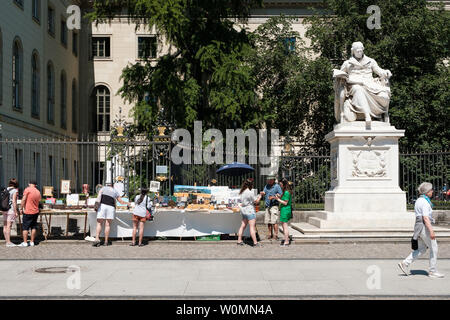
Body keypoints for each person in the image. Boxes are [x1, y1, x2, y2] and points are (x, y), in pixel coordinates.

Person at [334, 41, 392, 125]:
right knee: (358, 89)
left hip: (370, 84)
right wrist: (340, 76)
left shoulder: (371, 61)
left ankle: (383, 114)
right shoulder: (347, 63)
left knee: (383, 94)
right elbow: (340, 75)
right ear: (352, 51)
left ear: (363, 50)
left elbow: (379, 71)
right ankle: (367, 115)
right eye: (357, 51)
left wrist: (385, 72)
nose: (359, 52)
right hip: (354, 85)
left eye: (360, 50)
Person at [398, 182, 444, 278]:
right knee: (434, 247)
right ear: (427, 192)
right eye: (431, 190)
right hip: (424, 227)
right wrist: (431, 231)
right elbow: (425, 218)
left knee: (422, 249)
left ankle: (405, 263)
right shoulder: (424, 202)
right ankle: (432, 271)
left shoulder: (419, 200)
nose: (432, 191)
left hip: (418, 227)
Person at [93, 182, 130, 247]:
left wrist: (96, 206)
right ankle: (106, 241)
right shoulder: (115, 191)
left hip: (102, 206)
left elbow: (98, 198)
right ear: (113, 186)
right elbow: (120, 201)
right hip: (111, 207)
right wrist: (127, 203)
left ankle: (97, 239)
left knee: (99, 223)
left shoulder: (103, 189)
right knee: (108, 225)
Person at [237, 178, 262, 247]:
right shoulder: (250, 192)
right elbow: (256, 201)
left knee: (242, 226)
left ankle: (239, 240)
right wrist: (260, 196)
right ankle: (255, 242)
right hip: (250, 210)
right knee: (252, 227)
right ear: (251, 185)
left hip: (244, 210)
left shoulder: (242, 191)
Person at [19, 180, 41, 247]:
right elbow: (39, 202)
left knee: (25, 227)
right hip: (35, 212)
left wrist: (21, 208)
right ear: (36, 185)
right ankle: (32, 242)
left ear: (29, 184)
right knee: (33, 227)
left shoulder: (27, 189)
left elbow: (23, 199)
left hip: (28, 211)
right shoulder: (38, 192)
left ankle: (25, 242)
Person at [261, 176, 282, 240]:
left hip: (274, 205)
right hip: (267, 205)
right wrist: (262, 193)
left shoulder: (277, 186)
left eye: (270, 180)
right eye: (268, 180)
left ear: (273, 180)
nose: (268, 181)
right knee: (268, 221)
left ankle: (276, 234)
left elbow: (280, 195)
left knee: (274, 221)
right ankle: (270, 234)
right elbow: (264, 192)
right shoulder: (266, 186)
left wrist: (274, 197)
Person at [275, 178, 293, 247]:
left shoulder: (286, 192)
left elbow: (285, 202)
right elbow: (284, 198)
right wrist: (279, 196)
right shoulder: (286, 191)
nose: (280, 186)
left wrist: (278, 199)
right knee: (284, 226)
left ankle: (286, 241)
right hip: (285, 210)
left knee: (285, 226)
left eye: (281, 184)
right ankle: (286, 238)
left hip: (285, 210)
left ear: (284, 184)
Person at [2, 179, 19, 247]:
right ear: (16, 184)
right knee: (9, 226)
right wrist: (16, 211)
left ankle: (7, 241)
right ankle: (8, 242)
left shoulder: (5, 189)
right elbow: (14, 202)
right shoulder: (15, 190)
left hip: (4, 209)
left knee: (5, 225)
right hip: (11, 210)